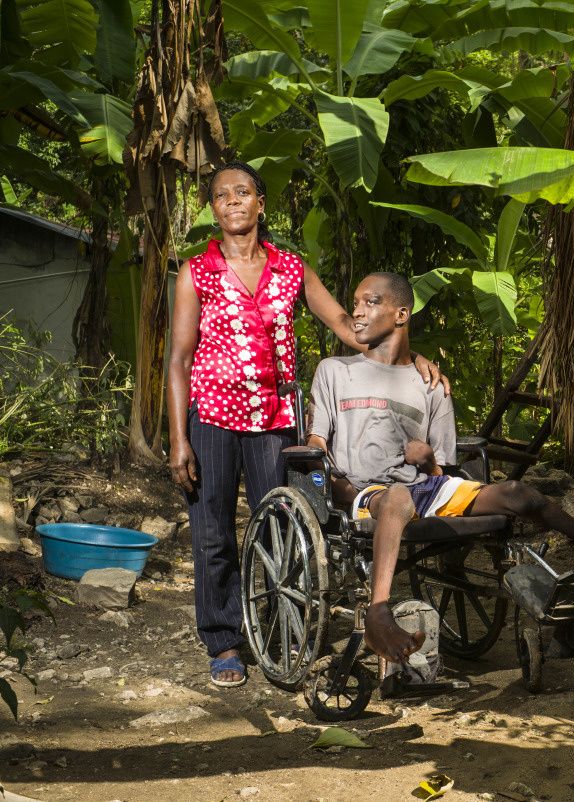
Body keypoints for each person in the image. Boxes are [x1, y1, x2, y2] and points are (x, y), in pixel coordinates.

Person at [167, 162, 450, 687]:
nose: (232, 201)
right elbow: (179, 359)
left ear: (260, 204)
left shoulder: (290, 269)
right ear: (213, 210)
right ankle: (224, 640)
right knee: (212, 532)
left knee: (282, 527)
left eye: (243, 192)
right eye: (222, 195)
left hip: (275, 420)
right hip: (210, 415)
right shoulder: (196, 272)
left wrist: (413, 358)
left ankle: (279, 626)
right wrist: (178, 438)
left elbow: (348, 326)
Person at [306, 272, 574, 664]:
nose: (356, 314)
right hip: (368, 494)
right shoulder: (334, 370)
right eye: (356, 302)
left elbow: (440, 475)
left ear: (400, 314)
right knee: (397, 497)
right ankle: (379, 612)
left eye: (369, 303)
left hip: (424, 492)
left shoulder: (431, 386)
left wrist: (428, 459)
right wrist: (324, 470)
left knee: (518, 493)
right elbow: (317, 442)